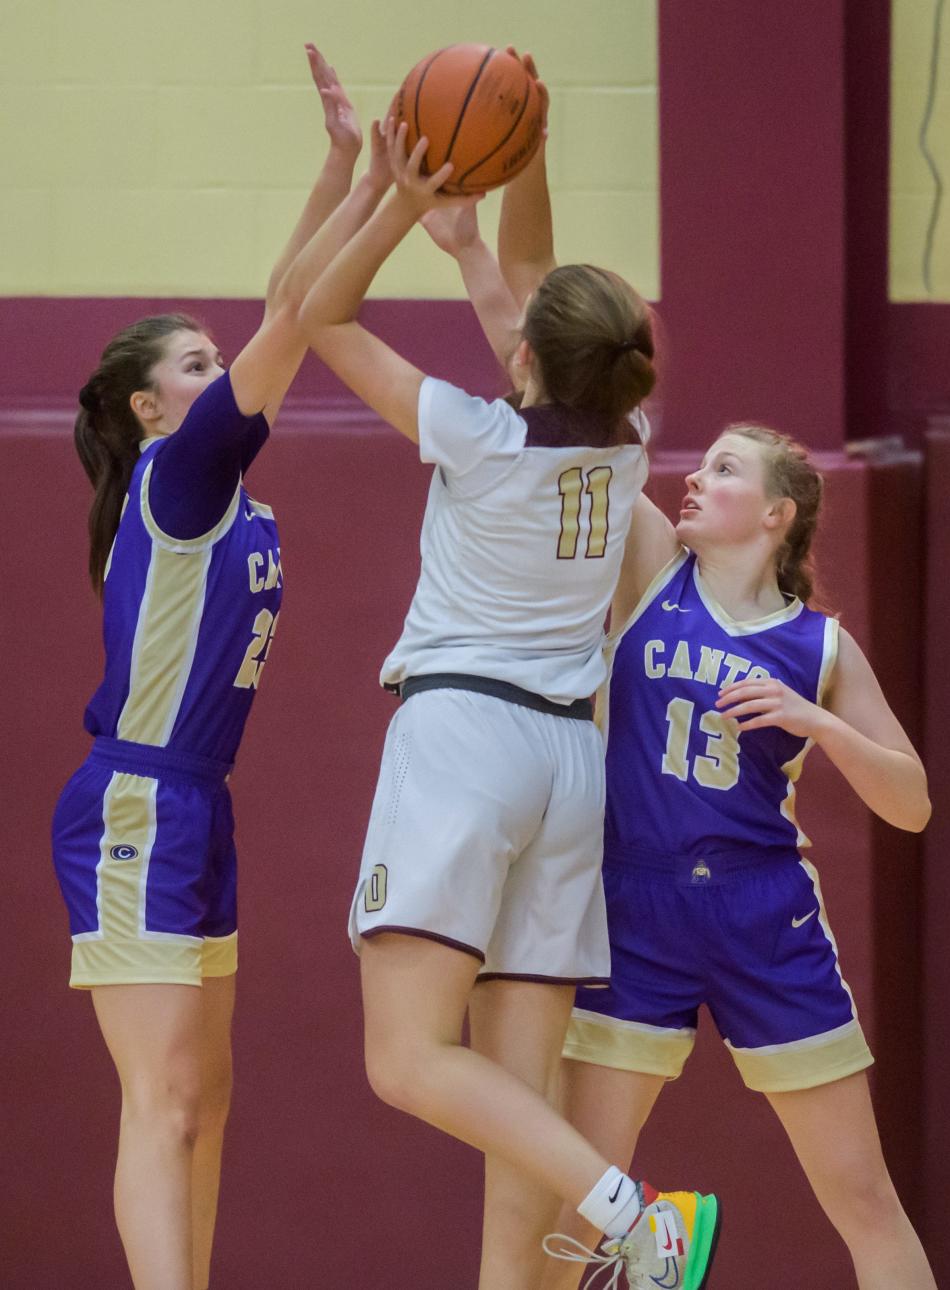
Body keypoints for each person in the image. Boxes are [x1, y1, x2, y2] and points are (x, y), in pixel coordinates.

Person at [297, 114, 720, 1290]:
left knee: (408, 1061)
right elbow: (538, 311)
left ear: (524, 365)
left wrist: (392, 192)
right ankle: (608, 1224)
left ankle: (632, 1220)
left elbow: (320, 318)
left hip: (465, 742)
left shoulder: (480, 438)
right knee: (514, 1108)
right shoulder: (625, 444)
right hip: (566, 765)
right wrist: (496, 209)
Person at [51, 49, 392, 1290]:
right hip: (137, 804)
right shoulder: (183, 477)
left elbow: (280, 306)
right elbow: (293, 317)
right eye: (191, 366)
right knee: (164, 1101)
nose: (216, 371)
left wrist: (345, 165)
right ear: (151, 412)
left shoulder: (222, 491)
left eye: (210, 361)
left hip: (198, 807)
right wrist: (385, 198)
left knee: (212, 1103)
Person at [537, 425, 937, 1290]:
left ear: (776, 513)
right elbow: (587, 436)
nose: (695, 479)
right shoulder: (651, 568)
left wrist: (819, 722)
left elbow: (913, 804)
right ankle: (653, 1235)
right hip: (637, 905)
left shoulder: (822, 648)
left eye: (724, 470)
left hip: (767, 916)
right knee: (571, 1207)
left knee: (864, 1199)